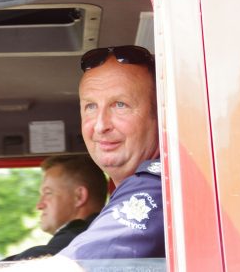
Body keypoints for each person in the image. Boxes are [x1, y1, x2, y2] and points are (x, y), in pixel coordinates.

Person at [58, 45, 165, 259]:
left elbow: (77, 267)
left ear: (160, 115)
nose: (100, 126)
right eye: (90, 106)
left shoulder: (158, 186)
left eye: (120, 105)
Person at [1, 154, 108, 261]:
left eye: (48, 193)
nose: (39, 205)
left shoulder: (76, 238)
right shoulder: (105, 233)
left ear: (79, 197)